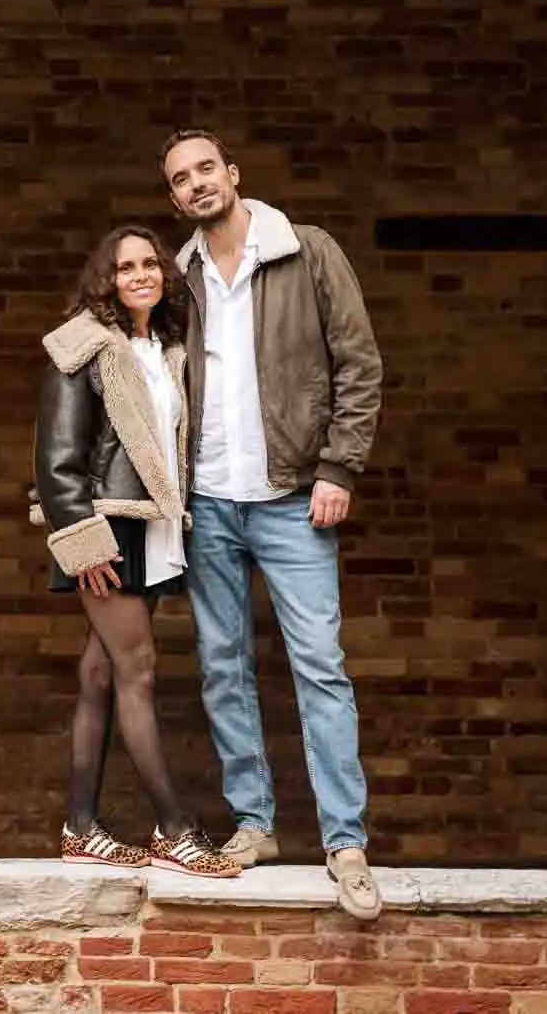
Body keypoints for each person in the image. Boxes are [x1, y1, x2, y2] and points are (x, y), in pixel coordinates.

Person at [160, 129, 385, 920]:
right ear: (176, 195)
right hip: (208, 501)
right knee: (223, 665)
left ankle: (345, 840)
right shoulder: (179, 274)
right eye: (181, 179)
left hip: (294, 494)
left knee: (319, 663)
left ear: (233, 173)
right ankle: (254, 822)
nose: (196, 185)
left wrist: (338, 467)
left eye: (205, 169)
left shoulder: (307, 251)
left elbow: (359, 365)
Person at [34, 225, 240, 879]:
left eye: (150, 262)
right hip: (105, 527)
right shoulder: (82, 348)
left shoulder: (166, 349)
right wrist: (81, 541)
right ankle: (174, 828)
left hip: (152, 525)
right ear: (108, 279)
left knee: (100, 674)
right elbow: (57, 459)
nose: (142, 274)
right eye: (126, 267)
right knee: (139, 668)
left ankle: (80, 826)